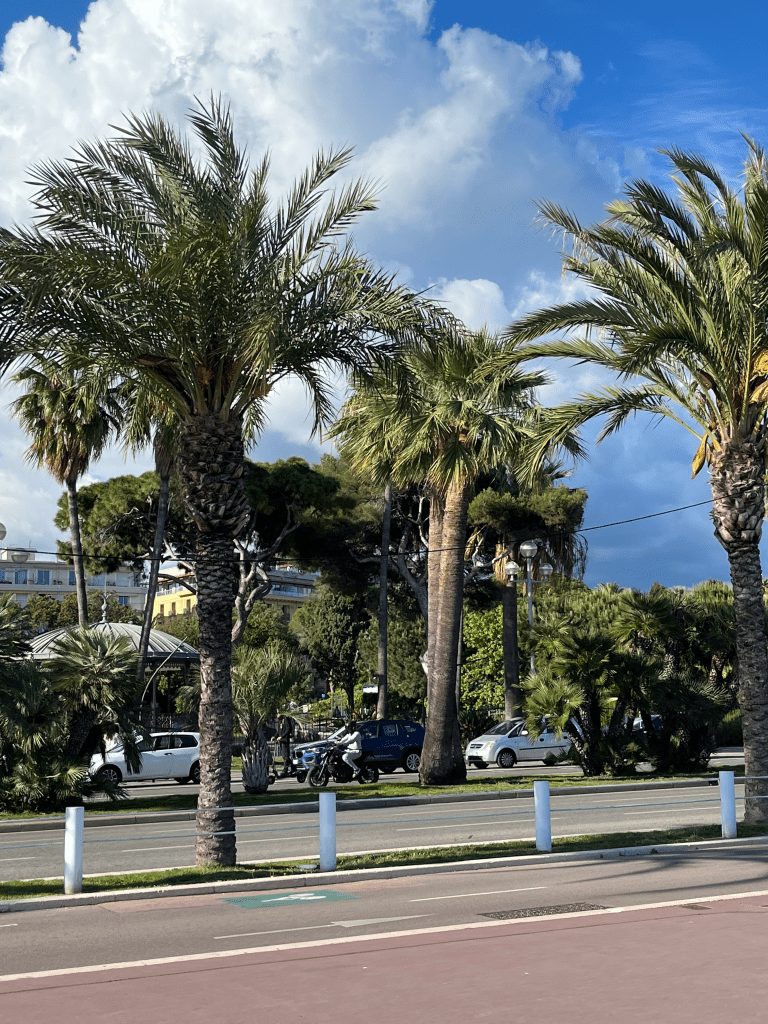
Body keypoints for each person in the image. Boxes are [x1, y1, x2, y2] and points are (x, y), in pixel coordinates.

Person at [276, 712, 294, 777]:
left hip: (285, 740)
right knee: (284, 756)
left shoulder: (285, 719)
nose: (277, 715)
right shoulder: (280, 721)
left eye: (278, 713)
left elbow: (288, 729)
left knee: (286, 756)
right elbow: (278, 731)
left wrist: (282, 736)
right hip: (281, 740)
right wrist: (275, 737)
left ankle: (285, 770)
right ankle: (293, 768)